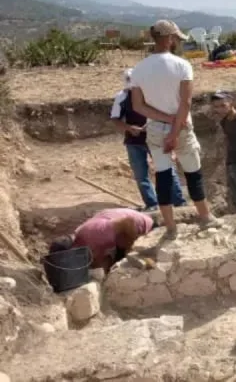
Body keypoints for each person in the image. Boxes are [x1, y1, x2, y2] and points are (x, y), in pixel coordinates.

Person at [129, 19, 221, 240]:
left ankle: (171, 227)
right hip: (182, 127)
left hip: (155, 129)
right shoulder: (182, 65)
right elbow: (186, 103)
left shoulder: (138, 70)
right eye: (176, 39)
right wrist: (174, 128)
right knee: (193, 173)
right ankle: (205, 218)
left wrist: (165, 120)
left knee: (163, 177)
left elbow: (138, 106)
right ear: (169, 39)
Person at [110, 68, 187, 211]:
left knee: (167, 169)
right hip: (133, 142)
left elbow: (167, 115)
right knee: (141, 175)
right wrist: (128, 127)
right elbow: (115, 119)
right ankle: (152, 204)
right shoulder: (121, 96)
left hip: (156, 138)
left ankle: (178, 202)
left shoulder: (155, 95)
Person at [48, 208, 157, 273]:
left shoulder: (92, 233)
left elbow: (128, 222)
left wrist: (131, 248)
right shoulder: (85, 245)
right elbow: (101, 262)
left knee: (132, 266)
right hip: (120, 238)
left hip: (141, 227)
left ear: (71, 250)